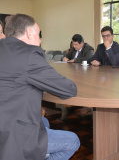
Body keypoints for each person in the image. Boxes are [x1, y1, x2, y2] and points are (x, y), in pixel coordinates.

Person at [0, 14, 80, 160]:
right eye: (38, 34)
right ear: (30, 33)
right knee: (73, 141)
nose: (40, 39)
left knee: (44, 121)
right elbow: (68, 89)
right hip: (13, 133)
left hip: (5, 119)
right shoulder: (29, 54)